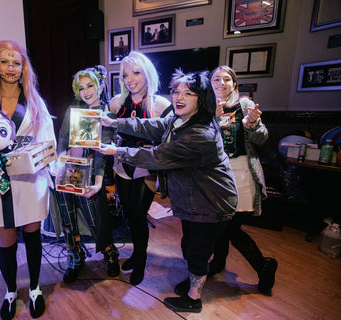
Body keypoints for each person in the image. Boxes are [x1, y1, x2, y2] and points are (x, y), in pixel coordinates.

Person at [96, 69, 237, 313]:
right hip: (195, 198)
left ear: (201, 98)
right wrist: (115, 122)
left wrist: (115, 151)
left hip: (210, 200)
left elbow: (158, 156)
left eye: (189, 93)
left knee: (196, 249)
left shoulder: (200, 133)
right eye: (176, 92)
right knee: (191, 246)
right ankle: (197, 279)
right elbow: (153, 125)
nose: (179, 98)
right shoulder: (180, 119)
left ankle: (194, 298)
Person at [0, 40, 55, 319]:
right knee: (5, 243)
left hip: (30, 182)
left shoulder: (35, 102)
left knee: (32, 238)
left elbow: (48, 143)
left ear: (23, 67)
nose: (11, 68)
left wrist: (37, 159)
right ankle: (11, 292)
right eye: (4, 61)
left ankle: (34, 289)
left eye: (16, 62)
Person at [210, 65, 277, 294]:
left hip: (241, 174)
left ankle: (263, 265)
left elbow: (262, 139)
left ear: (234, 83)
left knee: (229, 227)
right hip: (217, 175)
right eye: (216, 79)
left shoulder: (245, 104)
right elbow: (202, 142)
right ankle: (218, 264)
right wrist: (212, 119)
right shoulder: (207, 108)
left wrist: (252, 125)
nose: (221, 83)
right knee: (222, 224)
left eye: (226, 79)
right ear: (211, 84)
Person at [108, 50, 171, 285]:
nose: (131, 79)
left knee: (138, 214)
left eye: (136, 73)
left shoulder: (161, 104)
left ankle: (141, 258)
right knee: (128, 215)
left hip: (147, 168)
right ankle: (136, 253)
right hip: (121, 166)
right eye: (125, 75)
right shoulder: (116, 103)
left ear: (147, 74)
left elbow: (170, 141)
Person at [55, 65, 120, 283]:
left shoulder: (107, 115)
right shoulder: (73, 110)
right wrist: (60, 165)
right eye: (81, 88)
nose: (86, 91)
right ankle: (75, 257)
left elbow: (103, 152)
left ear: (100, 86)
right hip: (67, 170)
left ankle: (110, 254)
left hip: (91, 174)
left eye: (90, 85)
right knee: (69, 219)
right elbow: (63, 139)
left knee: (95, 220)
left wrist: (99, 182)